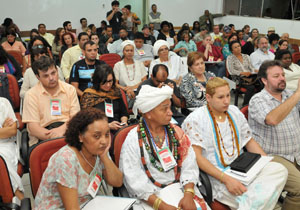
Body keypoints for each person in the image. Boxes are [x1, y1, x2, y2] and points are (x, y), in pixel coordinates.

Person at [182, 77, 288, 210]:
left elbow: (248, 141)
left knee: (278, 169)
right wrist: (227, 179)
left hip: (243, 168)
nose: (227, 101)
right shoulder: (195, 119)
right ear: (208, 98)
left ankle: (253, 202)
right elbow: (196, 157)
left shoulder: (234, 111)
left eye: (228, 95)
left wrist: (265, 162)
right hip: (218, 176)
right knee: (257, 197)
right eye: (221, 97)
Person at [120, 85, 210, 210]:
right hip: (150, 198)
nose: (171, 112)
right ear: (149, 113)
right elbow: (134, 179)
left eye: (170, 107)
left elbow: (189, 165)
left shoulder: (177, 133)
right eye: (165, 109)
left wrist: (188, 194)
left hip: (182, 189)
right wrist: (161, 205)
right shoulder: (133, 140)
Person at [34, 108, 123, 209]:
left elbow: (118, 182)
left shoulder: (99, 152)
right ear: (80, 136)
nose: (104, 141)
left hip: (88, 205)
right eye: (97, 136)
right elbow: (72, 208)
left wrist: (104, 157)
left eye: (107, 135)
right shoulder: (66, 159)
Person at [248, 60, 300, 210]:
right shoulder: (257, 100)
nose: (282, 78)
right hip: (272, 156)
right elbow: (272, 119)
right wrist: (298, 94)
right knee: (299, 189)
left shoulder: (289, 94)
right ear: (264, 80)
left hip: (295, 153)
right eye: (276, 76)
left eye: (283, 75)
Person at [22, 56, 80, 147]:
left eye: (53, 73)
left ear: (57, 70)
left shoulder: (70, 89)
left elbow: (75, 118)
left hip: (68, 132)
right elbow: (33, 128)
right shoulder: (31, 95)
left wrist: (61, 131)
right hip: (42, 138)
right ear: (38, 77)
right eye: (46, 76)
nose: (51, 78)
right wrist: (54, 137)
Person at [80, 64, 128, 133]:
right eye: (104, 82)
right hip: (98, 131)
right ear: (97, 81)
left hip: (118, 129)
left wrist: (124, 122)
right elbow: (86, 122)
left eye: (110, 81)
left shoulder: (115, 91)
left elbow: (124, 113)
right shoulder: (89, 96)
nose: (108, 85)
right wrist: (108, 125)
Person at [0, 97, 24, 201]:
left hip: (5, 145)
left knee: (2, 164)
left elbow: (12, 131)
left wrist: (6, 130)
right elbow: (6, 131)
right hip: (3, 140)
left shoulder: (3, 102)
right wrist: (2, 130)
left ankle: (19, 200)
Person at [227, 41, 261, 106]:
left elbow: (251, 67)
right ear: (232, 50)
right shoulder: (230, 58)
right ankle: (245, 105)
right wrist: (242, 73)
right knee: (251, 88)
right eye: (235, 47)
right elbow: (231, 71)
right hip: (238, 79)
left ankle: (257, 104)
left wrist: (256, 70)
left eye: (239, 46)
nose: (238, 48)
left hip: (250, 77)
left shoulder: (246, 56)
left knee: (261, 84)